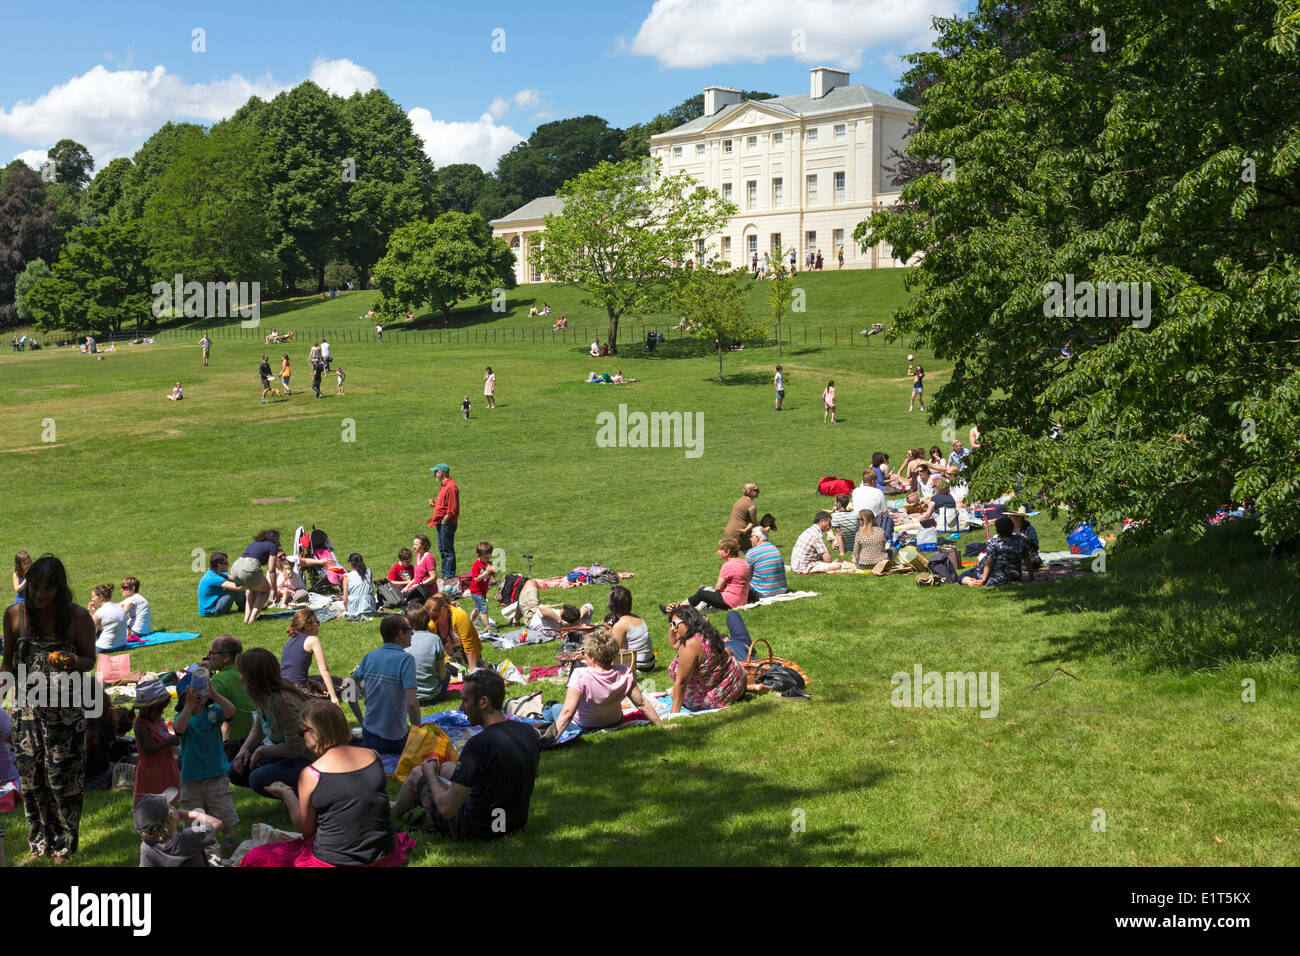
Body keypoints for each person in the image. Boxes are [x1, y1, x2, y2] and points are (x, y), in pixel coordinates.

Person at [1, 557, 95, 864]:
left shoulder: (77, 617)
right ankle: (38, 844)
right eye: (36, 587)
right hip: (26, 712)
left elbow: (89, 660)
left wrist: (70, 661)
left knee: (62, 779)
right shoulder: (15, 614)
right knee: (30, 780)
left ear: (60, 588)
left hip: (64, 712)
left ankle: (64, 845)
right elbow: (9, 663)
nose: (41, 594)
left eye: (48, 588)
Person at [245, 701, 414, 867]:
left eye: (301, 731)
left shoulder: (312, 774)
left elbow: (306, 828)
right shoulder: (373, 755)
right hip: (383, 856)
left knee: (256, 857)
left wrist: (288, 795)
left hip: (336, 861)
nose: (301, 736)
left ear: (314, 732)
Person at [393, 668, 539, 840]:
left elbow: (447, 810)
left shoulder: (478, 745)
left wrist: (430, 774)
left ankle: (394, 811)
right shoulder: (528, 732)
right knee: (448, 767)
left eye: (465, 701)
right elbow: (534, 773)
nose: (461, 708)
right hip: (514, 823)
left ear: (483, 702)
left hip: (477, 829)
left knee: (419, 773)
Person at [543, 628, 664, 734]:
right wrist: (661, 725)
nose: (583, 654)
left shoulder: (580, 675)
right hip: (615, 722)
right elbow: (641, 704)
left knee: (553, 707)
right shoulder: (624, 672)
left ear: (593, 657)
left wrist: (553, 739)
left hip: (583, 726)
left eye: (584, 652)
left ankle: (542, 709)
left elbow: (568, 713)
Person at [228, 648, 314, 795]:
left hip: (309, 759)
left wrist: (262, 750)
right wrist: (245, 749)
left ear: (252, 678)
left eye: (241, 672)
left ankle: (300, 796)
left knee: (257, 779)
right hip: (291, 754)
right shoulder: (261, 695)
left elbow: (297, 748)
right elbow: (260, 726)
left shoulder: (283, 702)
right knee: (235, 770)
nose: (239, 676)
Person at [173, 668, 239, 847]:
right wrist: (189, 704)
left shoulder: (214, 712)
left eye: (200, 692)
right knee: (194, 816)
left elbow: (231, 711)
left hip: (216, 775)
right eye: (192, 693)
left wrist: (215, 694)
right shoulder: (181, 717)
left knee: (224, 811)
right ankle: (198, 846)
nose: (197, 696)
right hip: (191, 779)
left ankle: (229, 841)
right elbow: (179, 729)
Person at [348, 615, 420, 755]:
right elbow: (412, 703)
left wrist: (361, 720)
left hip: (369, 734)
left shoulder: (370, 656)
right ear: (400, 633)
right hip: (394, 740)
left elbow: (349, 685)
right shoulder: (406, 660)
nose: (412, 633)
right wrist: (418, 732)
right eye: (409, 630)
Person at [664, 604, 746, 714]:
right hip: (736, 683)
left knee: (675, 691)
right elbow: (674, 644)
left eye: (675, 624)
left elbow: (681, 683)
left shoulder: (691, 644)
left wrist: (673, 715)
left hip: (718, 697)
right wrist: (673, 616)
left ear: (688, 621)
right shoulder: (706, 632)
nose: (673, 628)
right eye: (671, 624)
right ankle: (752, 687)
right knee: (674, 691)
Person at [135, 789, 223, 867]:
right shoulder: (190, 836)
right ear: (172, 815)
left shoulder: (147, 847)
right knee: (212, 845)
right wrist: (193, 814)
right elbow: (217, 823)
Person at [206, 635, 256, 762]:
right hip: (257, 736)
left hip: (236, 743)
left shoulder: (219, 680)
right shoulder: (248, 671)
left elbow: (218, 721)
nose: (208, 657)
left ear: (225, 657)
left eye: (212, 653)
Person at [132, 680, 181, 806]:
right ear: (147, 709)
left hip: (167, 766)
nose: (162, 713)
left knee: (170, 802)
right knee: (155, 804)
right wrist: (169, 741)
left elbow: (161, 736)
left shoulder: (159, 719)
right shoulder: (141, 726)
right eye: (159, 710)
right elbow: (147, 749)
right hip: (152, 771)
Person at [280, 609, 341, 706]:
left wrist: (313, 683)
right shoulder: (312, 640)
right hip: (299, 691)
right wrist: (333, 697)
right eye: (317, 622)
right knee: (338, 683)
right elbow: (324, 670)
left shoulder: (289, 642)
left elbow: (292, 672)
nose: (318, 625)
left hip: (284, 687)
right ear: (308, 626)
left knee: (318, 680)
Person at [681, 537, 753, 612]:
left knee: (701, 594)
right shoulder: (744, 563)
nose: (718, 552)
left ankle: (678, 608)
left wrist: (713, 600)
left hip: (730, 602)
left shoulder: (728, 565)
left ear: (728, 551)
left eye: (720, 549)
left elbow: (718, 587)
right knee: (706, 591)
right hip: (742, 600)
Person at [962, 516, 1034, 586]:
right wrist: (1031, 577)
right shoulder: (1020, 540)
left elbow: (989, 562)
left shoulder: (994, 542)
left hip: (998, 578)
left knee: (964, 575)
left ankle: (971, 583)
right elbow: (1027, 560)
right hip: (1015, 576)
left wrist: (983, 579)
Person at [230, 530, 281, 624]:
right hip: (249, 567)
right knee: (266, 590)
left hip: (235, 567)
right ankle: (252, 619)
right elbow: (271, 570)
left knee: (252, 589)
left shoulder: (253, 543)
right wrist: (275, 591)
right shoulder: (272, 546)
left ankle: (246, 619)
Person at [404, 606, 449, 705]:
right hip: (432, 696)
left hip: (407, 697)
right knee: (447, 673)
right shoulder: (435, 639)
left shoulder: (402, 640)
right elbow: (442, 675)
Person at [426, 592, 482, 670]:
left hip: (470, 657)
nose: (433, 621)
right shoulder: (431, 622)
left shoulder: (459, 616)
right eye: (431, 618)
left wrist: (473, 669)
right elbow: (430, 647)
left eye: (435, 617)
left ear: (443, 610)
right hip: (449, 659)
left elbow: (469, 645)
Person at [605, 584, 654, 671]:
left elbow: (615, 653)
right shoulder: (638, 618)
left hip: (636, 666)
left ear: (612, 606)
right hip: (649, 664)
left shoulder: (620, 625)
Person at [428, 464, 459, 578]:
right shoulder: (444, 486)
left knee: (447, 550)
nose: (434, 474)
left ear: (442, 473)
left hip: (446, 523)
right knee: (442, 549)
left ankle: (449, 574)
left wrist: (445, 519)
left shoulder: (451, 487)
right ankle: (444, 573)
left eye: (436, 472)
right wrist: (435, 504)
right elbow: (444, 505)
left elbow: (453, 507)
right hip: (441, 522)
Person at [744, 526, 788, 598]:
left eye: (751, 536)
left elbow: (744, 574)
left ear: (757, 538)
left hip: (762, 592)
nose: (750, 539)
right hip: (781, 591)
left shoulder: (752, 552)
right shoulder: (774, 549)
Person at [198, 552, 246, 617]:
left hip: (212, 608)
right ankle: (246, 607)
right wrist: (254, 584)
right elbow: (237, 587)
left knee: (237, 585)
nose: (228, 565)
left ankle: (247, 606)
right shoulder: (213, 577)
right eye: (226, 563)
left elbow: (236, 579)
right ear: (219, 565)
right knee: (233, 589)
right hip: (212, 611)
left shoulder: (218, 574)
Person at [468, 541, 498, 631]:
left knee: (477, 609)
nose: (487, 558)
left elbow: (495, 577)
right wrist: (486, 572)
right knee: (483, 608)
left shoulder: (488, 563)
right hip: (476, 591)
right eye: (485, 557)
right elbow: (476, 579)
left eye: (489, 556)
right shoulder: (476, 565)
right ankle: (488, 626)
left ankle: (469, 623)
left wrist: (494, 571)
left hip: (482, 591)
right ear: (478, 555)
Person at [88, 583, 127, 651]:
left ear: (101, 597)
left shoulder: (100, 612)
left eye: (93, 597)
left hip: (105, 648)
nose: (92, 599)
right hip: (122, 645)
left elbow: (91, 634)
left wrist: (91, 615)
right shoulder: (119, 606)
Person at [724, 482, 761, 550]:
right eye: (756, 490)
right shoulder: (752, 506)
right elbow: (755, 523)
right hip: (740, 532)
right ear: (749, 491)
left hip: (728, 531)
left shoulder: (739, 500)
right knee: (751, 551)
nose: (759, 492)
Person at [340, 552, 377, 617]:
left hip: (355, 606)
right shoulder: (369, 573)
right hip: (370, 604)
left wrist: (346, 609)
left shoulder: (347, 577)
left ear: (350, 563)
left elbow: (345, 598)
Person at [403, 534, 438, 599]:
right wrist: (407, 586)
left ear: (423, 545)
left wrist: (419, 585)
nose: (413, 546)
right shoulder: (418, 556)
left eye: (416, 545)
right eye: (413, 544)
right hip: (418, 589)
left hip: (427, 592)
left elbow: (433, 577)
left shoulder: (428, 558)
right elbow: (416, 577)